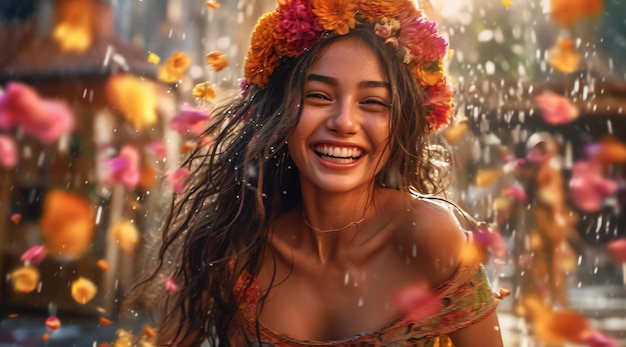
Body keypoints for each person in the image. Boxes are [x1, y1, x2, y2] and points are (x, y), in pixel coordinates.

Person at [131, 1, 504, 346]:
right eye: (318, 96)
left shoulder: (432, 238)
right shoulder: (234, 248)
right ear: (278, 112)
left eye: (373, 102)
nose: (344, 122)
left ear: (401, 123)